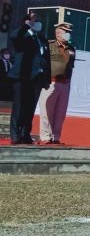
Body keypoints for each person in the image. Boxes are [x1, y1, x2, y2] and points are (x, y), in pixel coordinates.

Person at [9, 12, 50, 144]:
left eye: (39, 20)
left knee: (30, 108)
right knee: (19, 107)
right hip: (22, 77)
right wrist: (25, 26)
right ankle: (15, 135)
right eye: (34, 20)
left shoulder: (42, 39)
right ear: (27, 21)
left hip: (37, 79)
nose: (38, 23)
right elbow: (14, 36)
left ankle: (25, 133)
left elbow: (47, 61)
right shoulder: (22, 36)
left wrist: (46, 80)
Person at [38, 22, 76, 145]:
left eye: (69, 32)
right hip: (51, 83)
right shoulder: (49, 45)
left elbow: (71, 66)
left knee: (60, 113)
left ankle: (55, 137)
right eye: (66, 32)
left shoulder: (71, 48)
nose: (69, 35)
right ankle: (45, 137)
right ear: (58, 33)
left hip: (65, 84)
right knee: (46, 111)